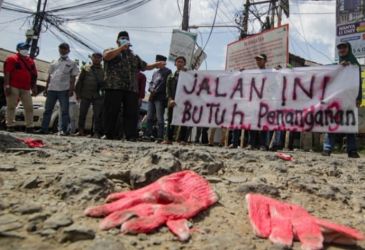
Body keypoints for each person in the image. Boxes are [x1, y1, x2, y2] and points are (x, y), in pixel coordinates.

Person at [103, 31, 166, 140]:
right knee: (111, 111)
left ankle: (131, 135)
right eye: (122, 38)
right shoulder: (110, 51)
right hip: (114, 87)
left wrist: (156, 64)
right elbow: (106, 57)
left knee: (131, 113)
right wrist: (120, 49)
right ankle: (109, 134)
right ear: (117, 41)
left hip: (131, 89)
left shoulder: (134, 56)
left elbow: (145, 66)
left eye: (126, 39)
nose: (124, 40)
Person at [322, 42, 361, 158]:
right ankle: (327, 148)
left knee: (350, 123)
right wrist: (339, 67)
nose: (342, 49)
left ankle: (352, 150)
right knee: (332, 122)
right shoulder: (335, 66)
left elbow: (360, 82)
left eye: (344, 47)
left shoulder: (355, 66)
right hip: (337, 99)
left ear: (349, 48)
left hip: (350, 98)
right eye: (339, 48)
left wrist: (359, 98)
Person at [37, 43, 79, 135]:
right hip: (52, 89)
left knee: (64, 111)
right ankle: (44, 129)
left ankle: (64, 130)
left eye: (65, 48)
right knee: (48, 110)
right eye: (61, 48)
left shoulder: (72, 63)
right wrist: (46, 88)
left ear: (68, 50)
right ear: (59, 49)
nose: (62, 50)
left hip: (64, 90)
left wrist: (71, 90)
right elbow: (50, 76)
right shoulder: (54, 62)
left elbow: (73, 78)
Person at [3, 42, 37, 133]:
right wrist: (7, 85)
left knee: (29, 107)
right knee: (11, 106)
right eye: (23, 48)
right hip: (13, 86)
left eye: (27, 48)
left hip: (26, 88)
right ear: (18, 49)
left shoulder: (30, 61)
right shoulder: (12, 59)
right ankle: (10, 125)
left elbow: (34, 75)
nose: (25, 50)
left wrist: (34, 87)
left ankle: (29, 126)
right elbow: (7, 73)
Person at [75, 52, 104, 138]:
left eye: (98, 58)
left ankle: (96, 132)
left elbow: (105, 83)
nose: (96, 59)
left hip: (98, 96)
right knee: (82, 113)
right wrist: (78, 93)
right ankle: (80, 131)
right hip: (85, 94)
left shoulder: (104, 70)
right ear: (91, 58)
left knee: (97, 115)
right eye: (94, 57)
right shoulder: (86, 68)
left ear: (101, 59)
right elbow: (80, 81)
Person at [162, 56, 188, 144]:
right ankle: (169, 139)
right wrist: (170, 100)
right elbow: (168, 89)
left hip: (185, 102)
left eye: (182, 62)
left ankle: (182, 139)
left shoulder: (189, 75)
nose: (180, 63)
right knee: (170, 120)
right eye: (178, 62)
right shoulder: (171, 76)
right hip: (173, 101)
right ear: (175, 63)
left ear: (184, 64)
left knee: (184, 120)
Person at [246, 54, 270, 150]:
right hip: (254, 103)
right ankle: (251, 144)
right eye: (257, 60)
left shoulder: (270, 73)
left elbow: (275, 85)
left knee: (263, 124)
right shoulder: (253, 73)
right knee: (252, 123)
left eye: (260, 59)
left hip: (265, 103)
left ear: (265, 61)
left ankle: (263, 144)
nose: (258, 61)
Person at [145, 55, 172, 141]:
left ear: (162, 62)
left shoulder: (168, 71)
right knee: (149, 116)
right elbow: (151, 83)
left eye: (157, 61)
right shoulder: (155, 73)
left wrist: (155, 91)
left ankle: (160, 136)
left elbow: (164, 83)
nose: (156, 63)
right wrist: (151, 89)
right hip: (152, 97)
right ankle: (148, 134)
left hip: (160, 97)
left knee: (159, 117)